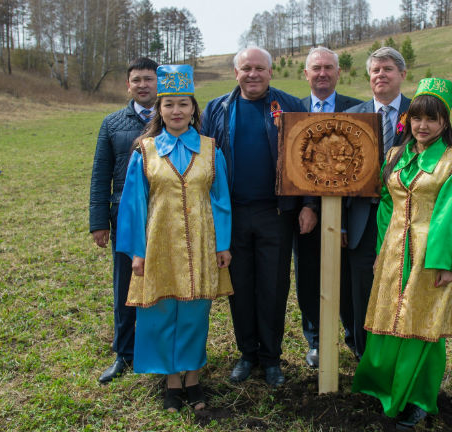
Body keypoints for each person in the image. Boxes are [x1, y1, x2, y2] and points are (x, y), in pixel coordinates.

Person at [352, 78, 452, 429]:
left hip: (428, 254)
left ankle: (418, 398)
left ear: (444, 123)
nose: (423, 126)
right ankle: (384, 388)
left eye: (432, 119)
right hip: (392, 251)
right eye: (418, 118)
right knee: (388, 318)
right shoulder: (396, 156)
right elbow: (386, 207)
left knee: (421, 324)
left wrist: (445, 264)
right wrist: (380, 251)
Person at [116, 64, 233, 412]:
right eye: (169, 105)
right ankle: (170, 381)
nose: (177, 111)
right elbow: (133, 206)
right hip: (158, 246)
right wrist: (137, 253)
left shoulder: (211, 150)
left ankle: (193, 379)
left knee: (195, 313)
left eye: (183, 104)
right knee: (161, 311)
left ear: (193, 108)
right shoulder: (145, 151)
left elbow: (221, 200)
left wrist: (222, 244)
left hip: (201, 245)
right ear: (160, 109)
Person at [201, 46, 315, 386]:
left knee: (273, 287)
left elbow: (308, 161)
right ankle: (247, 353)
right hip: (233, 214)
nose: (253, 74)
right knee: (241, 287)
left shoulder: (291, 105)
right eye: (246, 68)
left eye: (260, 68)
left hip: (276, 214)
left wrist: (309, 204)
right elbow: (205, 160)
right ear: (235, 73)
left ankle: (271, 358)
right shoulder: (218, 108)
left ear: (270, 72)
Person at [89, 57, 158, 384]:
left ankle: (157, 348)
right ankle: (124, 352)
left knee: (161, 282)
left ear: (158, 83)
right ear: (127, 85)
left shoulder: (173, 118)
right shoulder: (112, 123)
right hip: (124, 216)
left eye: (149, 79)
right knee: (125, 284)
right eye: (137, 80)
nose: (143, 84)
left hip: (164, 215)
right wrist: (99, 220)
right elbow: (100, 175)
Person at [344, 47, 411, 360]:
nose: (381, 75)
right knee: (360, 290)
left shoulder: (421, 114)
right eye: (375, 70)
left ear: (402, 75)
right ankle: (363, 355)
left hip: (405, 220)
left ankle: (397, 354)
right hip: (360, 219)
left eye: (387, 69)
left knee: (399, 289)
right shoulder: (351, 117)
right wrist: (341, 223)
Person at [297, 46, 362, 368]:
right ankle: (317, 342)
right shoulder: (293, 110)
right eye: (316, 68)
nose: (322, 73)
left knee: (348, 281)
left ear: (338, 73)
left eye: (328, 68)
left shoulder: (358, 110)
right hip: (305, 215)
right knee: (309, 278)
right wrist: (306, 205)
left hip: (347, 213)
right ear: (306, 74)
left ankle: (352, 338)